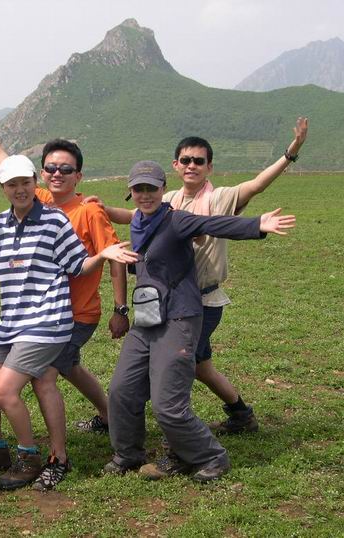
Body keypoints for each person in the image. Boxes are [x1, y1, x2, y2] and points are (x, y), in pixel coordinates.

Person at [96, 118, 308, 434]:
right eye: (186, 160)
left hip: (202, 301)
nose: (191, 166)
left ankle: (174, 433)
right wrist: (101, 209)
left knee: (173, 366)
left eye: (199, 161)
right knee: (200, 366)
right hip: (169, 300)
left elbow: (256, 185)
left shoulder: (221, 197)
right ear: (176, 165)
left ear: (209, 166)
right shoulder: (167, 199)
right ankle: (241, 414)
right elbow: (134, 214)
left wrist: (290, 153)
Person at [0, 107, 130, 490]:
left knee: (44, 379)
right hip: (27, 317)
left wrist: (121, 308)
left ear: (78, 176)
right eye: (51, 169)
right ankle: (111, 415)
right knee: (66, 369)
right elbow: (12, 172)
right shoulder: (36, 201)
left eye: (65, 170)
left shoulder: (87, 211)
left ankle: (56, 456)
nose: (57, 174)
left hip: (73, 313)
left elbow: (112, 259)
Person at [104, 160, 295, 481]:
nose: (145, 194)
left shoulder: (176, 219)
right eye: (139, 189)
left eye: (151, 188)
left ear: (163, 189)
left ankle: (211, 456)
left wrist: (256, 225)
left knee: (167, 403)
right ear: (130, 192)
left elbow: (214, 224)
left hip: (179, 316)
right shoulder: (138, 221)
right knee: (122, 390)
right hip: (147, 315)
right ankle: (128, 454)